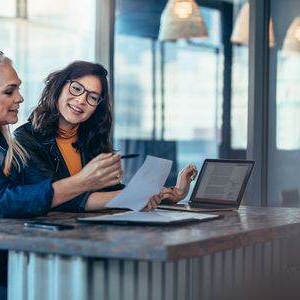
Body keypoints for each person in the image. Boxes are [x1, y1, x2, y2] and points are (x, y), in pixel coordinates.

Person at [0, 50, 162, 300]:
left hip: (3, 271)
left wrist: (138, 196)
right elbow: (5, 200)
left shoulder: (8, 147)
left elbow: (52, 194)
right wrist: (83, 181)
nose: (20, 98)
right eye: (9, 91)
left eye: (19, 90)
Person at [13, 61, 198, 211]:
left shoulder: (91, 139)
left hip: (92, 233)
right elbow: (55, 197)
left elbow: (112, 193)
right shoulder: (25, 138)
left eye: (92, 97)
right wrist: (134, 197)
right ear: (59, 87)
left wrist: (173, 193)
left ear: (96, 108)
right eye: (76, 88)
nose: (81, 101)